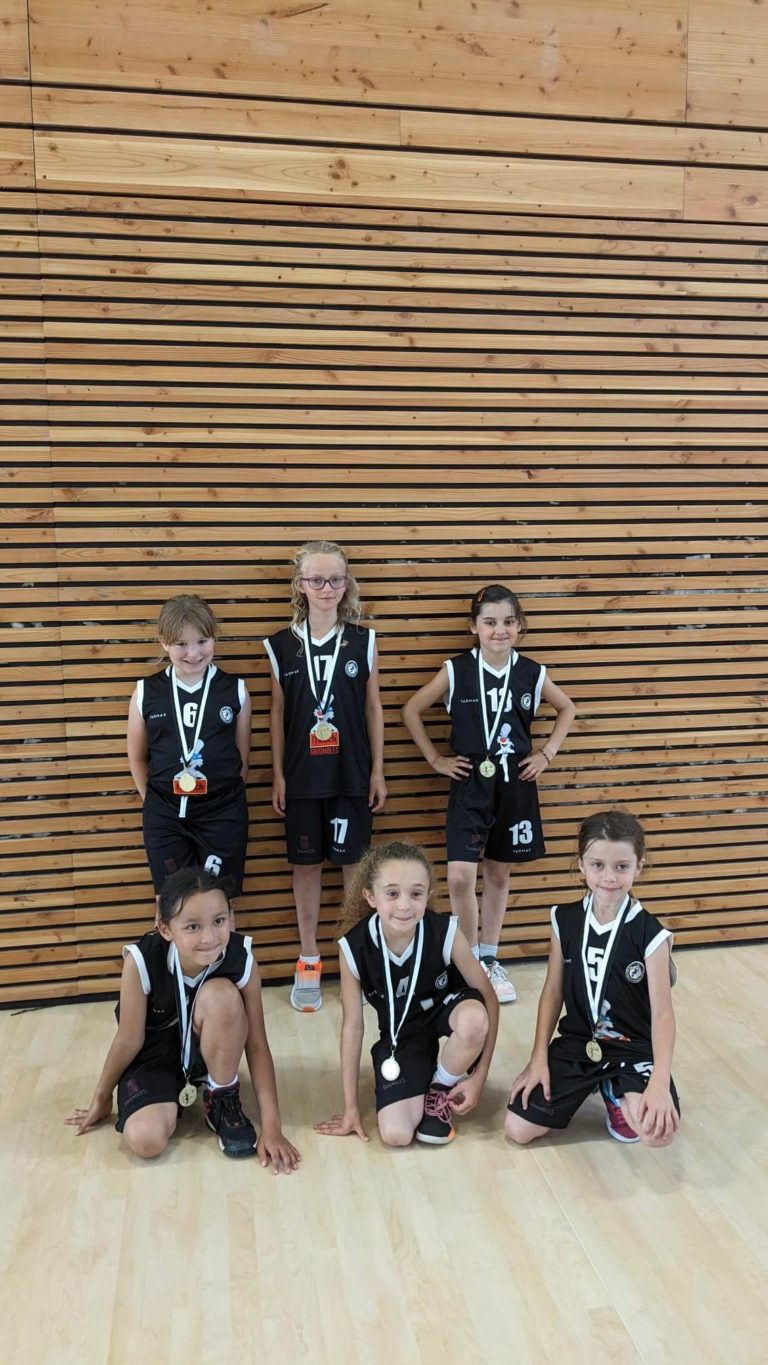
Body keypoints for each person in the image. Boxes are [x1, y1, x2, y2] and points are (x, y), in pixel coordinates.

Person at [402, 584, 575, 1005]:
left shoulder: (531, 672)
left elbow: (567, 708)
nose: (500, 630)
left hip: (515, 782)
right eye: (490, 622)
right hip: (470, 783)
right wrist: (436, 759)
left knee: (498, 874)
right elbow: (411, 710)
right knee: (460, 876)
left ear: (520, 626)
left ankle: (490, 958)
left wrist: (546, 754)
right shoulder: (456, 670)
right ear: (473, 627)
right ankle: (467, 963)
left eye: (509, 622)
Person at [65, 867, 301, 1168]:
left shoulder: (241, 958)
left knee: (222, 996)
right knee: (145, 1140)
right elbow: (128, 1040)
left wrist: (272, 1128)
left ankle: (221, 1096)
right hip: (153, 1058)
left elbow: (256, 1044)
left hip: (207, 1050)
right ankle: (168, 1092)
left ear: (231, 916)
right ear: (165, 929)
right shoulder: (141, 961)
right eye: (192, 926)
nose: (209, 937)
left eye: (219, 921)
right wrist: (101, 1097)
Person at [505, 809, 680, 1147]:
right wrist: (538, 1058)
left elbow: (662, 1014)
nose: (609, 877)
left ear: (639, 867)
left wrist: (659, 1080)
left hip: (633, 1048)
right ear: (581, 865)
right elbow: (552, 992)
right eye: (598, 865)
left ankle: (616, 1089)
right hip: (578, 1044)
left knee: (656, 1136)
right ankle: (597, 1082)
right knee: (518, 1129)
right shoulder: (564, 919)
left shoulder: (651, 934)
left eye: (622, 866)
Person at [264, 540, 386, 1013]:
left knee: (355, 867)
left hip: (351, 773)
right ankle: (309, 957)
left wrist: (377, 770)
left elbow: (373, 708)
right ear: (300, 584)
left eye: (335, 579)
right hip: (301, 778)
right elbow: (277, 714)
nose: (327, 588)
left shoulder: (363, 640)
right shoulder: (281, 645)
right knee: (306, 867)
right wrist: (278, 774)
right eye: (316, 579)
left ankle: (356, 961)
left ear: (346, 583)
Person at [315, 841, 499, 1147]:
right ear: (370, 897)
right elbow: (353, 1027)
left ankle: (439, 1088)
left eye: (415, 894)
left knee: (473, 1020)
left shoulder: (446, 933)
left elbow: (490, 998)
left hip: (450, 1013)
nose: (404, 905)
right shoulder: (353, 948)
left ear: (428, 895)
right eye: (392, 894)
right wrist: (350, 1109)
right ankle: (428, 1074)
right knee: (396, 1135)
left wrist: (480, 1076)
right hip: (403, 1034)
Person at [127, 594, 251, 897]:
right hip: (165, 816)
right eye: (181, 644)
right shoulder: (146, 692)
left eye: (202, 641)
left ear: (214, 638)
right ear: (163, 642)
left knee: (218, 900)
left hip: (222, 814)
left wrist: (224, 801)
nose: (193, 653)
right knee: (170, 902)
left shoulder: (235, 690)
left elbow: (241, 757)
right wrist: (156, 804)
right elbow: (137, 758)